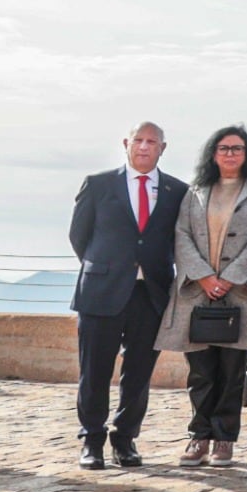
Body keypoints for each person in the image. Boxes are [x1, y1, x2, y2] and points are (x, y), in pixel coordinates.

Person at [155, 125, 247, 467]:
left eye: (237, 148)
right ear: (213, 153)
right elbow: (181, 235)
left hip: (239, 292)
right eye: (224, 148)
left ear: (246, 154)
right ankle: (199, 435)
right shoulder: (195, 191)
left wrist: (230, 277)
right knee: (200, 370)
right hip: (198, 291)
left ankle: (224, 438)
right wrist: (205, 276)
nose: (230, 154)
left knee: (231, 370)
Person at [69, 121, 188, 470]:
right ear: (126, 143)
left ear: (162, 149)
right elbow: (79, 236)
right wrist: (108, 269)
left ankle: (125, 439)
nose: (144, 146)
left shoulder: (177, 191)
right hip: (101, 291)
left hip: (151, 293)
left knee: (138, 373)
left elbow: (178, 240)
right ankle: (91, 441)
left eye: (153, 142)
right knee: (94, 370)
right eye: (139, 139)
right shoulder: (98, 184)